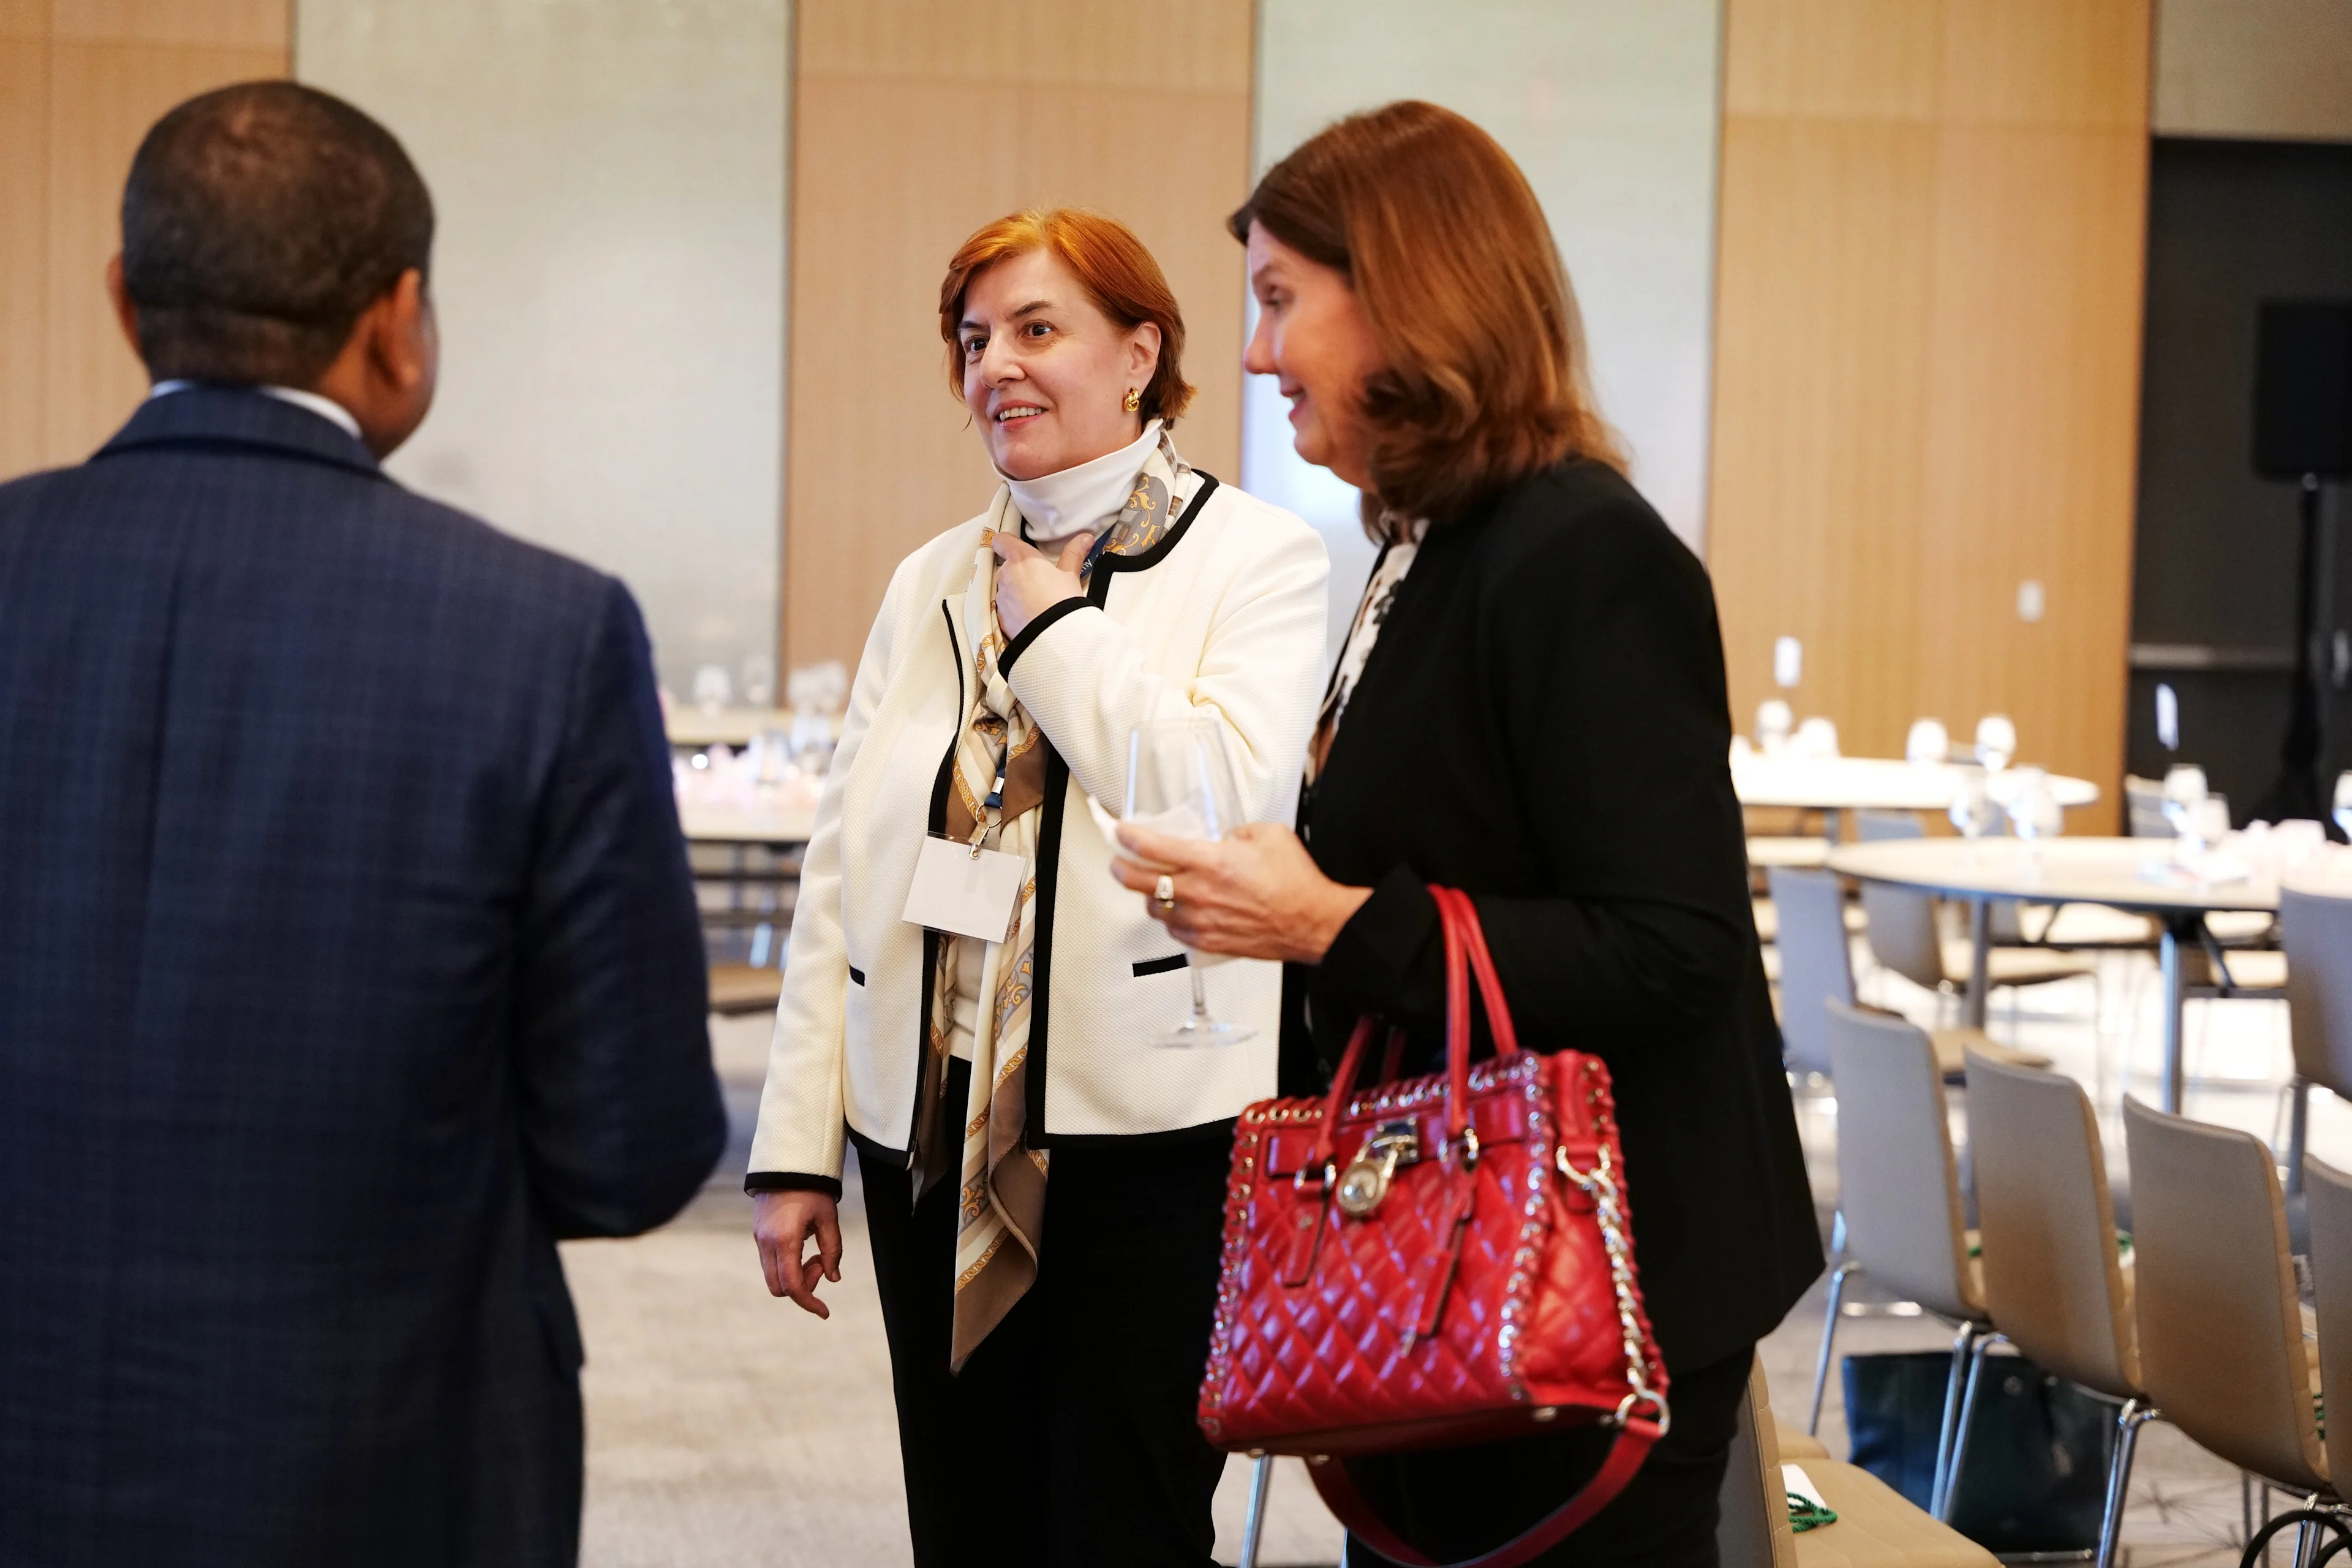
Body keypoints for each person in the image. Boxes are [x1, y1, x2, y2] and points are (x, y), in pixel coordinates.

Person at [0, 82, 725, 1567]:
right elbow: (632, 1149)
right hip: (387, 1462)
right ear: (401, 318)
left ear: (129, 303)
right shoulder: (543, 630)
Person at [1114, 102, 1824, 1567]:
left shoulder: (1584, 555)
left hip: (1590, 1288)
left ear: (1410, 293)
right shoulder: (1424, 546)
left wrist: (1322, 918)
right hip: (1460, 1261)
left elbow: (1673, 945)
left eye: (1278, 299)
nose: (1254, 354)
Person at [748, 208, 1327, 1566]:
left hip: (1156, 1142)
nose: (994, 364)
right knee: (966, 1521)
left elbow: (1213, 796)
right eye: (972, 339)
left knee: (1125, 1521)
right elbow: (844, 875)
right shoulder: (929, 580)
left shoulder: (1258, 559)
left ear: (1140, 354)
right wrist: (794, 1151)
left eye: (1036, 328)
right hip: (928, 1131)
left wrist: (1055, 625)